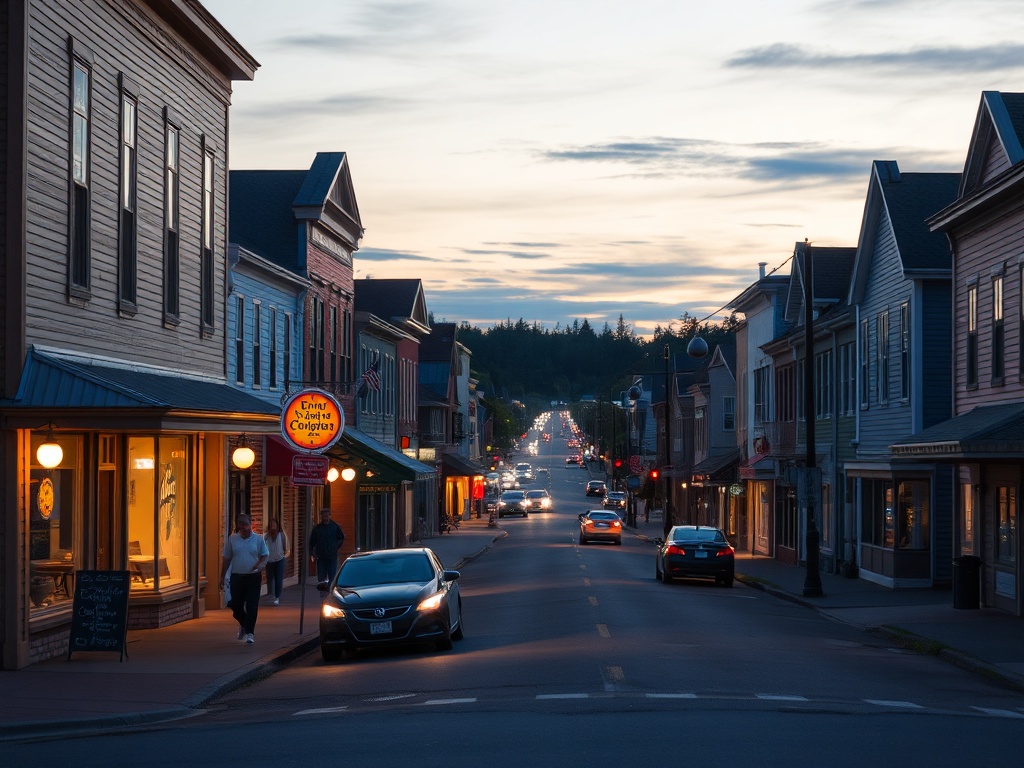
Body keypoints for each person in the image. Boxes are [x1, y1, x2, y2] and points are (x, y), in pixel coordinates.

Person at [221, 513, 268, 645]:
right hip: (237, 576)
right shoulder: (232, 539)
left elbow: (264, 556)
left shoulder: (258, 540)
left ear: (250, 525)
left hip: (253, 577)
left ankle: (250, 633)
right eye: (240, 525)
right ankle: (244, 624)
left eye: (245, 525)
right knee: (235, 604)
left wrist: (259, 566)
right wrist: (222, 576)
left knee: (252, 605)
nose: (242, 528)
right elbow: (226, 558)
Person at [309, 507, 345, 585]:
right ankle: (322, 595)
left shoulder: (335, 527)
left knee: (332, 577)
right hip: (321, 557)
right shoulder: (317, 529)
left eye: (327, 514)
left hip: (332, 556)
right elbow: (312, 542)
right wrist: (312, 553)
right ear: (321, 516)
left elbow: (341, 538)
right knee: (321, 579)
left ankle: (331, 594)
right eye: (323, 515)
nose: (325, 516)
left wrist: (335, 547)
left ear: (330, 515)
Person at [263, 517, 290, 605]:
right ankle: (271, 594)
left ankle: (277, 596)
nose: (272, 527)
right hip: (269, 561)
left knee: (278, 578)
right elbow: (263, 547)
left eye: (274, 525)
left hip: (280, 560)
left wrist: (283, 557)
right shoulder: (266, 536)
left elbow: (287, 548)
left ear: (277, 526)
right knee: (270, 578)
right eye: (271, 525)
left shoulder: (281, 535)